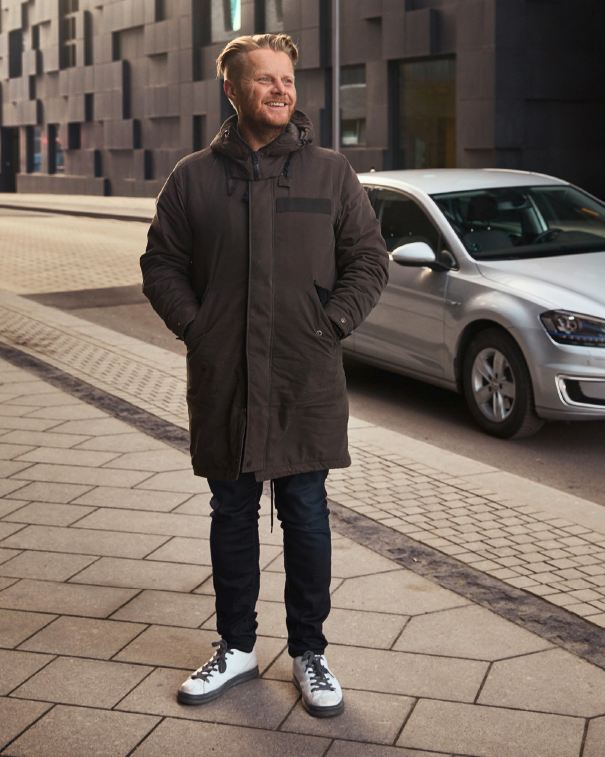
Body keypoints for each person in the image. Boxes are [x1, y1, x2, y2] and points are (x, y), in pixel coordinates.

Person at [140, 33, 388, 718]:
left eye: (287, 79)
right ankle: (237, 646)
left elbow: (368, 259)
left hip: (303, 376)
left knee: (306, 513)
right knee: (231, 511)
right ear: (232, 90)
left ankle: (310, 651)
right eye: (264, 80)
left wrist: (331, 323)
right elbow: (160, 263)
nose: (280, 90)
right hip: (225, 376)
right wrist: (199, 326)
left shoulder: (329, 173)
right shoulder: (193, 177)